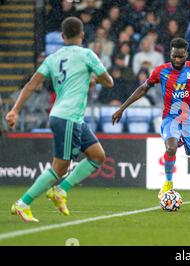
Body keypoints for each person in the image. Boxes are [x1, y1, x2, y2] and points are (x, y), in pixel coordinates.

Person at [6, 17, 114, 222]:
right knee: (60, 167)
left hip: (67, 117)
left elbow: (31, 84)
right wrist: (95, 77)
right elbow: (108, 81)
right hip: (68, 118)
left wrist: (15, 110)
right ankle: (23, 203)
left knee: (97, 156)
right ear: (82, 35)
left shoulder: (52, 58)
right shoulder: (87, 55)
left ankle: (61, 191)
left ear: (63, 36)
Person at [112, 38, 190, 202]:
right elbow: (143, 88)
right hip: (170, 118)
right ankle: (168, 183)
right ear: (170, 53)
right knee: (171, 148)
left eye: (181, 56)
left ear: (186, 55)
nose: (177, 60)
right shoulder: (161, 71)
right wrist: (122, 108)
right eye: (174, 56)